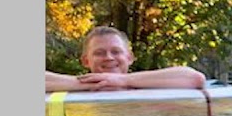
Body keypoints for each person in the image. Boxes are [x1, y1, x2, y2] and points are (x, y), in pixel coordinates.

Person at [45, 26, 206, 92]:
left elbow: (195, 78)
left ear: (130, 57)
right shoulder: (70, 90)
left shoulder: (150, 85)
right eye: (99, 53)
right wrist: (88, 83)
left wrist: (123, 81)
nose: (109, 57)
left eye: (116, 51)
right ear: (85, 61)